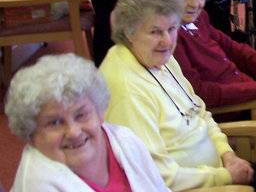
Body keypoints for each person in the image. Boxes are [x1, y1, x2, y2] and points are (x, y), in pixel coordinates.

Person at [99, 0, 256, 191]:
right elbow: (157, 178)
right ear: (129, 32)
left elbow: (199, 112)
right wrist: (224, 176)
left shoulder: (158, 57)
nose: (167, 41)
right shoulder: (127, 89)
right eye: (155, 31)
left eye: (172, 28)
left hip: (218, 170)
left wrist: (227, 154)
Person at [6, 53, 168, 191]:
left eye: (81, 115)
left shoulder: (125, 140)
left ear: (98, 112)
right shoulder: (36, 184)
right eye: (54, 123)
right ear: (31, 132)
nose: (74, 132)